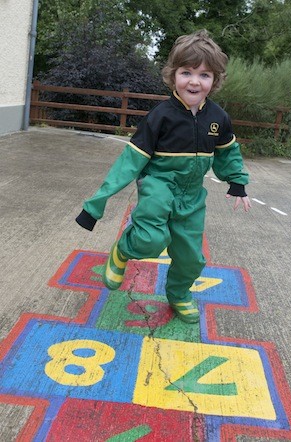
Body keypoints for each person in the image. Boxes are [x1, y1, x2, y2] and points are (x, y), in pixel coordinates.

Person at [76, 29, 251, 324]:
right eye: (186, 72)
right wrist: (95, 206)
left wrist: (238, 182)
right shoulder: (160, 117)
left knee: (191, 257)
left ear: (215, 81)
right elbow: (128, 164)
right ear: (173, 76)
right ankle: (122, 250)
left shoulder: (218, 118)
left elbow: (228, 153)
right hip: (158, 185)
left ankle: (179, 294)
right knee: (150, 240)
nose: (194, 81)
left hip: (192, 195)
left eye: (204, 75)